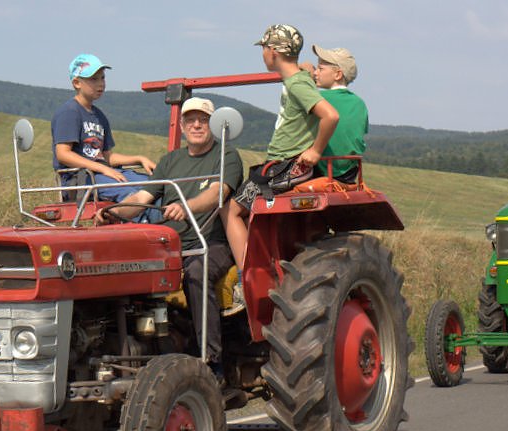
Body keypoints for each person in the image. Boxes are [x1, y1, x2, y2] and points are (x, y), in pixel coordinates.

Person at [94, 97, 244, 382]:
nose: (197, 125)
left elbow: (218, 193)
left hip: (210, 242)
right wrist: (113, 212)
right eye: (191, 120)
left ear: (213, 125)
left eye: (203, 119)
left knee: (197, 273)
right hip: (172, 247)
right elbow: (142, 198)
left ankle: (211, 363)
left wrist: (187, 207)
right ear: (183, 127)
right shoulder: (171, 161)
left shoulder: (226, 155)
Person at [221, 24, 339, 310]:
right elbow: (304, 72)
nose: (263, 54)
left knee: (230, 211)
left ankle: (246, 278)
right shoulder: (299, 77)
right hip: (280, 162)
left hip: (285, 165)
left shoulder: (297, 83)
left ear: (271, 52)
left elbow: (330, 116)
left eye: (264, 48)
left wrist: (314, 151)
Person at [52, 53, 156, 203]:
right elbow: (63, 154)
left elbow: (106, 156)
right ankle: (142, 221)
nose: (100, 83)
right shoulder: (69, 112)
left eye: (102, 78)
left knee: (154, 185)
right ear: (77, 83)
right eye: (94, 79)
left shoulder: (99, 116)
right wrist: (103, 169)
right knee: (134, 194)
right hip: (80, 180)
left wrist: (139, 159)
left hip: (102, 174)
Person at [301, 46, 368, 182]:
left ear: (337, 74)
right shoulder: (360, 103)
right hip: (349, 173)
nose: (315, 73)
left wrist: (302, 75)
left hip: (318, 169)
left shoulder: (319, 99)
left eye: (320, 69)